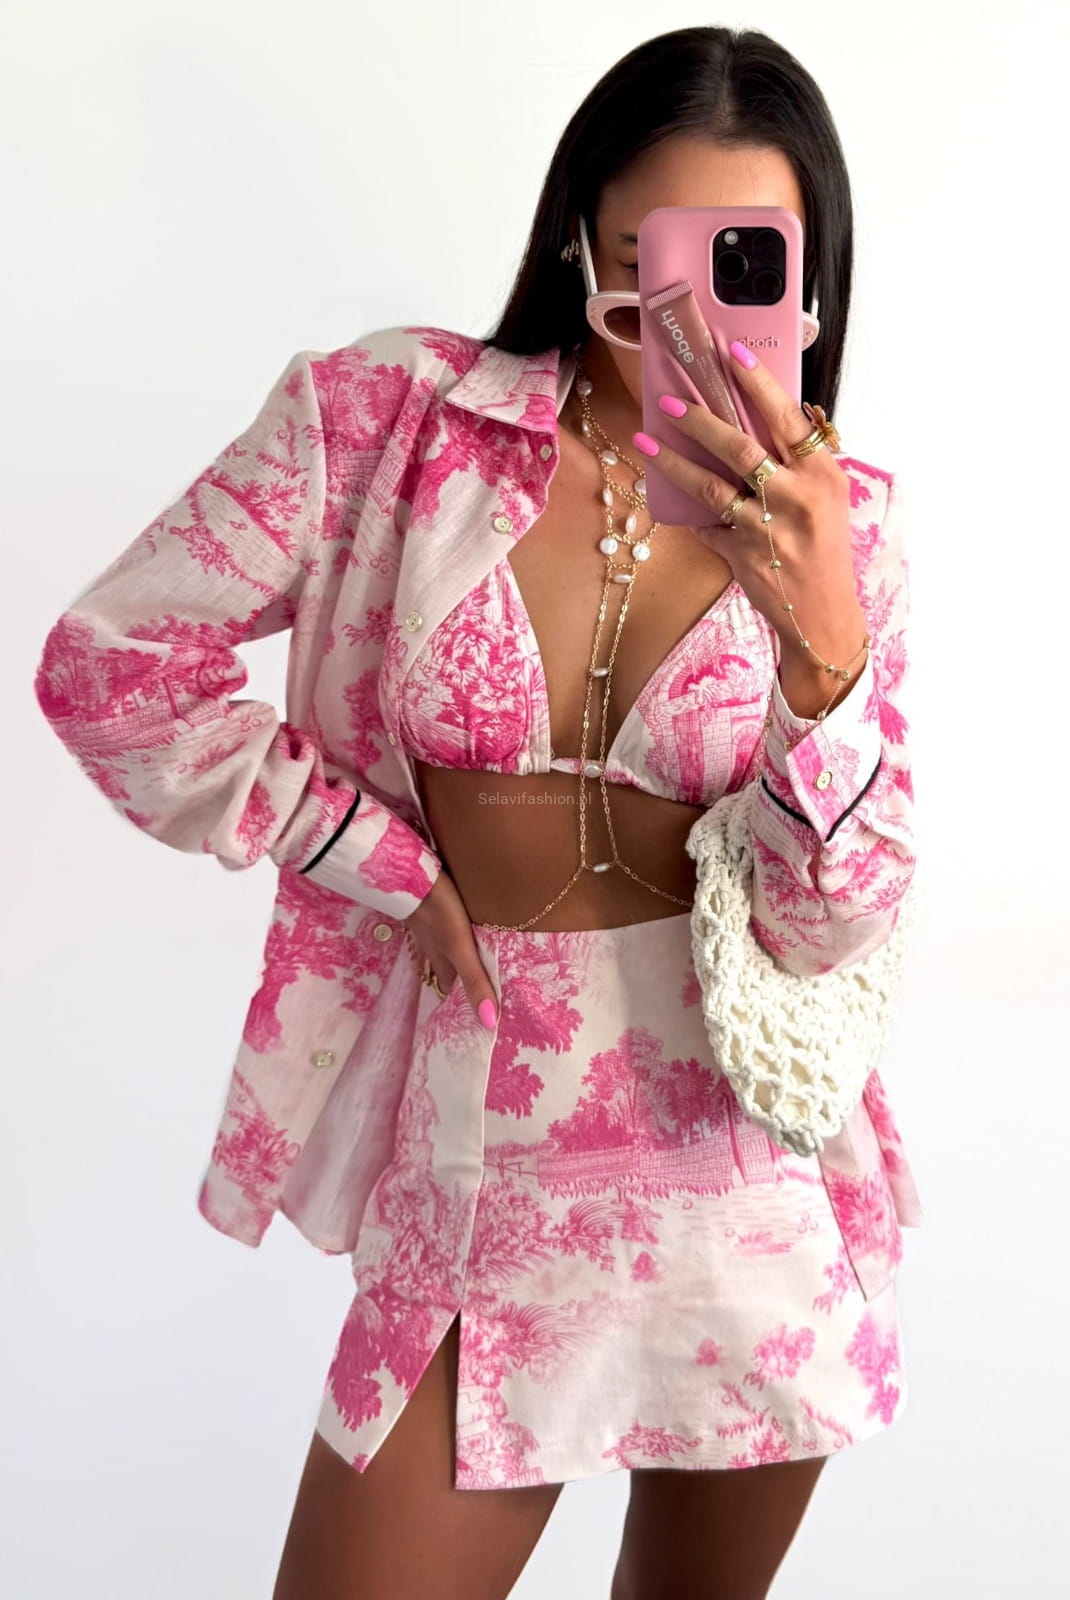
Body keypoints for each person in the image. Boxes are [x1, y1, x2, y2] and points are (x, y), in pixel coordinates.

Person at [33, 23, 925, 1600]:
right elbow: (111, 663)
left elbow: (823, 923)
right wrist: (360, 848)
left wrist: (824, 658)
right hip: (482, 1162)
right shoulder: (385, 422)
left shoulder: (842, 531)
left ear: (807, 284)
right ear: (582, 239)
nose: (688, 316)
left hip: (747, 1188)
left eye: (743, 264)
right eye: (652, 260)